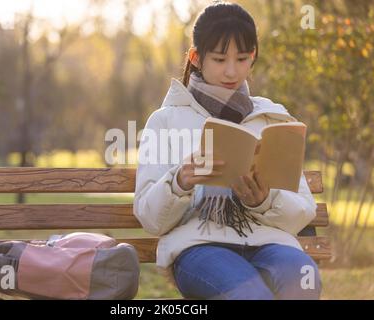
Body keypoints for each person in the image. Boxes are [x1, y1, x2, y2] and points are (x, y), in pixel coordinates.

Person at [133, 2, 321, 300]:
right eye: (220, 59)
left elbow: (303, 211)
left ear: (253, 57)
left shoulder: (273, 118)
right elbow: (150, 218)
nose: (232, 71)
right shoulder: (165, 120)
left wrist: (263, 200)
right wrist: (179, 182)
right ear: (196, 57)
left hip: (269, 240)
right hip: (198, 245)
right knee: (251, 294)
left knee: (304, 281)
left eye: (242, 58)